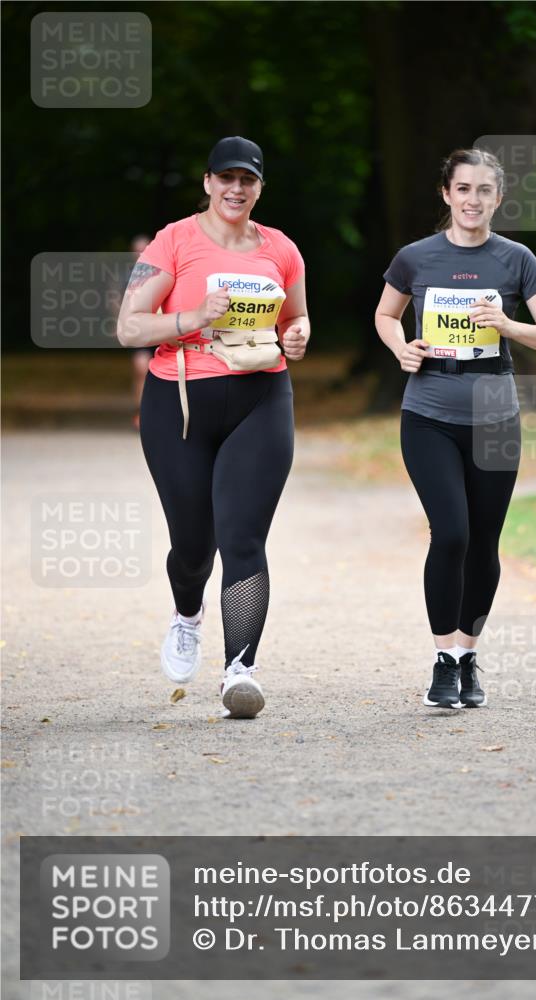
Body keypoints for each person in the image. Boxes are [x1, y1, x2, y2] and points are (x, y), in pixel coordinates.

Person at [117, 136, 309, 719]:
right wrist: (193, 316)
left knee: (244, 539)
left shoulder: (281, 249)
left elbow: (295, 319)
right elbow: (129, 327)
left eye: (247, 180)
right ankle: (186, 615)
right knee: (194, 544)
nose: (236, 188)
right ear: (207, 183)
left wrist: (298, 336)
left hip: (262, 398)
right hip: (179, 404)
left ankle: (239, 671)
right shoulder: (172, 242)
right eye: (225, 178)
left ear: (258, 188)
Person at [375, 148, 536, 710]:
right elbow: (386, 315)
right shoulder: (415, 257)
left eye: (485, 191)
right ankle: (443, 659)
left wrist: (507, 323)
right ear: (446, 195)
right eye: (464, 189)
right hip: (428, 413)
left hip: (496, 417)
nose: (473, 200)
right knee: (452, 533)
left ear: (497, 199)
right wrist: (401, 349)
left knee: (484, 540)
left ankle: (468, 653)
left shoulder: (517, 260)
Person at [128, 234, 153, 430]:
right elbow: (115, 303)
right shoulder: (125, 277)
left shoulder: (163, 272)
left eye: (144, 250)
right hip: (139, 330)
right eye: (137, 251)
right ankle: (141, 412)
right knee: (141, 367)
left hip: (162, 330)